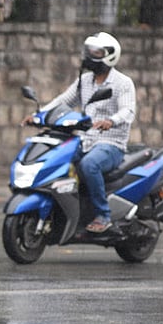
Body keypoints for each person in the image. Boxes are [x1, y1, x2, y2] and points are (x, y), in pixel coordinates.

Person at [23, 31, 136, 233]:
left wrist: (111, 121)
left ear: (110, 55)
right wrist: (38, 115)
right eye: (89, 51)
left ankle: (103, 215)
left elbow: (128, 111)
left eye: (97, 52)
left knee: (89, 164)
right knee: (55, 157)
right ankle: (64, 210)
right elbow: (63, 100)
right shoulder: (85, 80)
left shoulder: (122, 83)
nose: (91, 56)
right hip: (84, 140)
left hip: (111, 144)